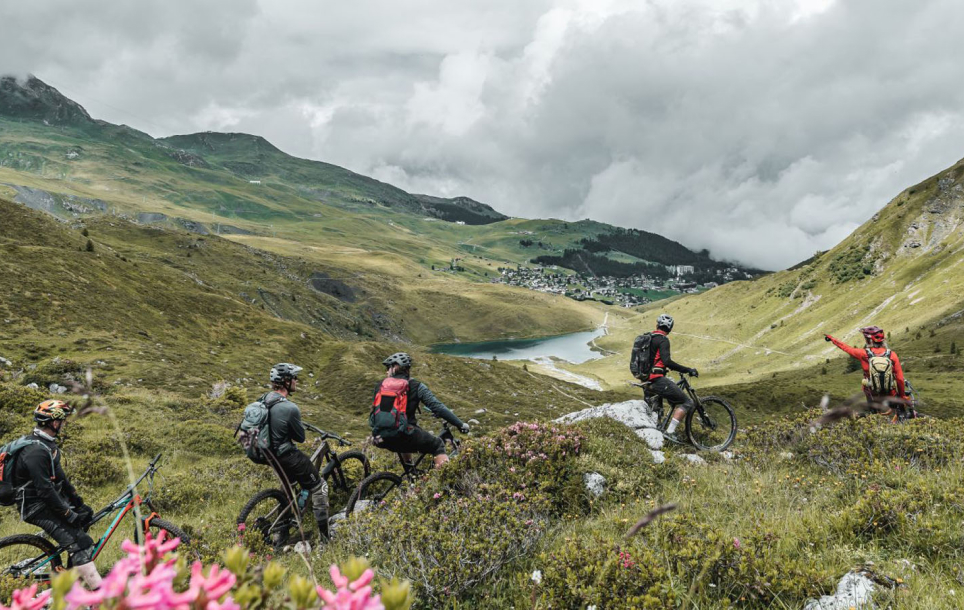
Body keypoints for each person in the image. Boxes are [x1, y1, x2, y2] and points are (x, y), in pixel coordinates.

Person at [10, 400, 101, 589]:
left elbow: (62, 480)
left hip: (46, 502)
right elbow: (45, 490)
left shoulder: (48, 446)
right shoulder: (35, 451)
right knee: (81, 544)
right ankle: (100, 594)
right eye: (63, 420)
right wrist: (68, 514)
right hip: (35, 508)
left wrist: (78, 504)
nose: (64, 424)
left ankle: (73, 580)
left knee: (80, 529)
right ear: (54, 422)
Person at [262, 362, 330, 542]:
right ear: (285, 381)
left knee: (288, 485)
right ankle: (325, 538)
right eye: (294, 378)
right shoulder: (289, 408)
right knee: (319, 487)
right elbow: (300, 438)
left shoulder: (264, 399)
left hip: (268, 455)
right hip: (285, 455)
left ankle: (283, 530)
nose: (296, 381)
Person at [372, 353, 469, 468]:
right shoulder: (416, 386)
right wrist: (460, 424)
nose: (386, 372)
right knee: (437, 445)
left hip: (380, 438)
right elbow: (438, 407)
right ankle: (444, 480)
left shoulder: (380, 386)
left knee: (403, 431)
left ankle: (410, 475)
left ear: (394, 368)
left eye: (388, 368)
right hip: (403, 437)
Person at [825, 326, 911, 419]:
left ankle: (868, 418)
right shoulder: (892, 355)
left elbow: (846, 348)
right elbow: (899, 378)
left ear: (869, 340)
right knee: (900, 411)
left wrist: (832, 339)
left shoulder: (863, 354)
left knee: (873, 416)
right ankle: (902, 419)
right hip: (890, 392)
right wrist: (902, 396)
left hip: (872, 393)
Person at [645, 314, 699, 443]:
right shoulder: (663, 340)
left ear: (657, 325)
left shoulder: (648, 338)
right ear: (670, 328)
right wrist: (687, 369)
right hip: (657, 379)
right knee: (688, 402)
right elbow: (667, 361)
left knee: (657, 409)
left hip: (646, 379)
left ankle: (656, 434)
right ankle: (670, 432)